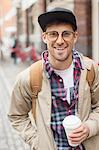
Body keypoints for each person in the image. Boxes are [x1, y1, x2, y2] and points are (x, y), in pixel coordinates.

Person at [8, 7, 99, 150]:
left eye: (66, 34)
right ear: (44, 37)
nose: (60, 41)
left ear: (75, 36)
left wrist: (89, 127)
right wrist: (38, 142)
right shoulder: (29, 77)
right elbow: (16, 116)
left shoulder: (91, 70)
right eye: (53, 34)